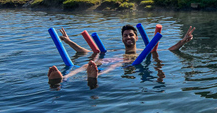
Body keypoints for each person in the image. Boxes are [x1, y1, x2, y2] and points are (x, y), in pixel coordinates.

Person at [48, 25, 195, 88]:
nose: (128, 37)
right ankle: (65, 78)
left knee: (114, 65)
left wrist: (183, 41)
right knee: (90, 62)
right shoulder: (115, 50)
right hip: (117, 58)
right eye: (125, 35)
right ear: (122, 39)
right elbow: (84, 51)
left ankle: (94, 76)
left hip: (130, 63)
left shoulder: (145, 50)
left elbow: (169, 49)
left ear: (136, 38)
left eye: (131, 34)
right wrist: (69, 41)